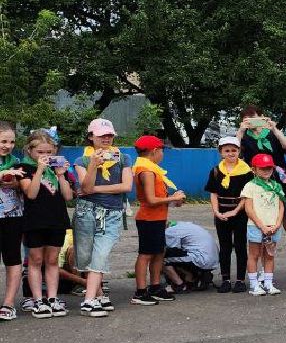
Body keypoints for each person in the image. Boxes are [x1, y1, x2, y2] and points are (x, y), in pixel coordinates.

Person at [72, 118, 132, 317]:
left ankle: (88, 300)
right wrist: (93, 166)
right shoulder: (81, 161)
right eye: (101, 135)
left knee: (101, 254)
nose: (106, 138)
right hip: (86, 211)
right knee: (86, 256)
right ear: (91, 137)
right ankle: (98, 295)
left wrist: (95, 189)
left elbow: (126, 187)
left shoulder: (123, 158)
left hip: (112, 212)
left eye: (109, 135)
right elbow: (85, 188)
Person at [18, 128, 75, 318]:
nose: (45, 156)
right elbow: (31, 194)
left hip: (56, 220)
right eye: (40, 152)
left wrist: (60, 175)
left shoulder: (58, 169)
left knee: (52, 260)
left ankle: (52, 298)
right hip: (34, 221)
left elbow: (68, 196)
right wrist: (40, 170)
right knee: (35, 260)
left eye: (49, 152)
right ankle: (37, 300)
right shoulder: (25, 168)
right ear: (30, 151)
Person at [237, 107, 286, 265]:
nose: (252, 121)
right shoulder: (244, 137)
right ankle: (259, 269)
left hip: (281, 182)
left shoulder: (272, 133)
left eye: (254, 117)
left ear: (262, 117)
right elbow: (236, 155)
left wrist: (275, 128)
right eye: (247, 119)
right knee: (259, 226)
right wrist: (240, 132)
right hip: (258, 184)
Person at [131, 134, 184, 306]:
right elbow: (151, 200)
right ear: (155, 151)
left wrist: (172, 200)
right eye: (161, 150)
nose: (162, 154)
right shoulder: (146, 171)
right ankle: (140, 291)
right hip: (149, 218)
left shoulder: (151, 168)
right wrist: (172, 198)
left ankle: (154, 286)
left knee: (158, 252)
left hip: (158, 217)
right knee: (146, 254)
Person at [204, 134, 253, 294]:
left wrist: (236, 210)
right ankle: (225, 279)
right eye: (227, 150)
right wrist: (216, 211)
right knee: (224, 247)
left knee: (240, 246)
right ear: (221, 152)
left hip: (239, 211)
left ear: (239, 151)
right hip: (222, 212)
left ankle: (240, 280)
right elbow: (213, 193)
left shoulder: (246, 171)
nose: (231, 153)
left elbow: (247, 195)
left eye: (234, 150)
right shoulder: (216, 171)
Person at [241, 152, 285, 296]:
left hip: (273, 227)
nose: (266, 171)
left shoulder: (276, 185)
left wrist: (278, 224)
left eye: (269, 168)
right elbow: (249, 208)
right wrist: (261, 226)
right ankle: (254, 285)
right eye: (262, 168)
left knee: (270, 255)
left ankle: (268, 283)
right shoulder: (250, 186)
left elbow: (281, 206)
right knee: (254, 255)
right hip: (256, 226)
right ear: (254, 169)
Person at [0, 122, 26, 321]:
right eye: (3, 141)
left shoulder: (17, 162)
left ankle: (8, 304)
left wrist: (17, 183)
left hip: (12, 217)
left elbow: (25, 188)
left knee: (12, 259)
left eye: (11, 141)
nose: (7, 145)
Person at [163, 220, 221, 291]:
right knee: (177, 256)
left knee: (161, 258)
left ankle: (180, 284)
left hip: (201, 259)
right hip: (212, 259)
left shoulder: (169, 231)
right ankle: (196, 275)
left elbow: (170, 249)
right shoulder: (182, 224)